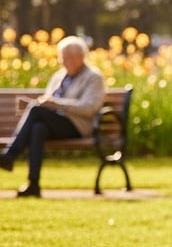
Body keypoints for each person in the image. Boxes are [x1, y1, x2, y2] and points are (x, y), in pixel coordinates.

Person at [0, 36, 106, 198]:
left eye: (66, 58)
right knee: (38, 128)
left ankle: (10, 155)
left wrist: (57, 104)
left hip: (77, 126)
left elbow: (90, 108)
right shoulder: (59, 76)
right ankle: (33, 184)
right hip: (53, 123)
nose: (62, 62)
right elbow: (48, 102)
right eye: (61, 58)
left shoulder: (93, 77)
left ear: (79, 58)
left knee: (36, 110)